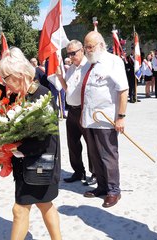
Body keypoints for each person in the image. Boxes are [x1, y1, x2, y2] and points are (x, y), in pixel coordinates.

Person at [0, 47, 62, 240]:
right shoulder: (19, 97)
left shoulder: (41, 95)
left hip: (40, 164)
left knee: (20, 210)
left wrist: (15, 148)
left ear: (19, 74)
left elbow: (43, 138)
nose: (4, 82)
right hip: (26, 164)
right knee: (44, 205)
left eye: (6, 77)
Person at [81, 31, 129, 208]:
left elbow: (123, 90)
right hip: (89, 119)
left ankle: (113, 190)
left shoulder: (113, 61)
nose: (87, 50)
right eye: (85, 47)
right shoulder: (89, 64)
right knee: (94, 155)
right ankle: (101, 186)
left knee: (108, 155)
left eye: (90, 46)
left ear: (101, 45)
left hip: (106, 119)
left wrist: (121, 117)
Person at [56, 40, 97, 186]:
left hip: (84, 110)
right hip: (72, 110)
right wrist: (61, 78)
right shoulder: (71, 68)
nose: (71, 56)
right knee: (72, 143)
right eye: (69, 53)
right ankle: (78, 171)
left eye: (73, 53)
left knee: (90, 143)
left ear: (82, 50)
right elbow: (68, 89)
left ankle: (95, 173)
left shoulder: (89, 67)